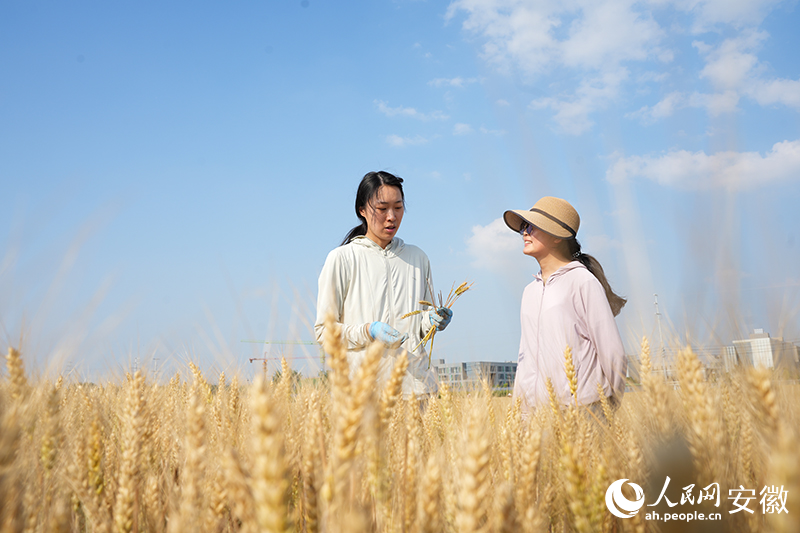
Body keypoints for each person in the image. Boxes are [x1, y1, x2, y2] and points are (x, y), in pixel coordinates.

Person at [315, 171, 453, 397]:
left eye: (398, 208)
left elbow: (418, 328)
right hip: (364, 396)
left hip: (416, 391)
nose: (391, 216)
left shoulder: (418, 258)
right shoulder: (342, 259)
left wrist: (431, 321)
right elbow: (324, 333)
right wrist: (368, 331)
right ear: (362, 210)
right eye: (382, 208)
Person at [503, 196, 627, 413]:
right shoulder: (529, 291)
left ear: (557, 236)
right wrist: (520, 415)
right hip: (540, 415)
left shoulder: (583, 281)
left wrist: (607, 410)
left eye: (531, 226)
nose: (524, 232)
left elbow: (612, 353)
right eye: (523, 226)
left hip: (584, 411)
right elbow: (526, 357)